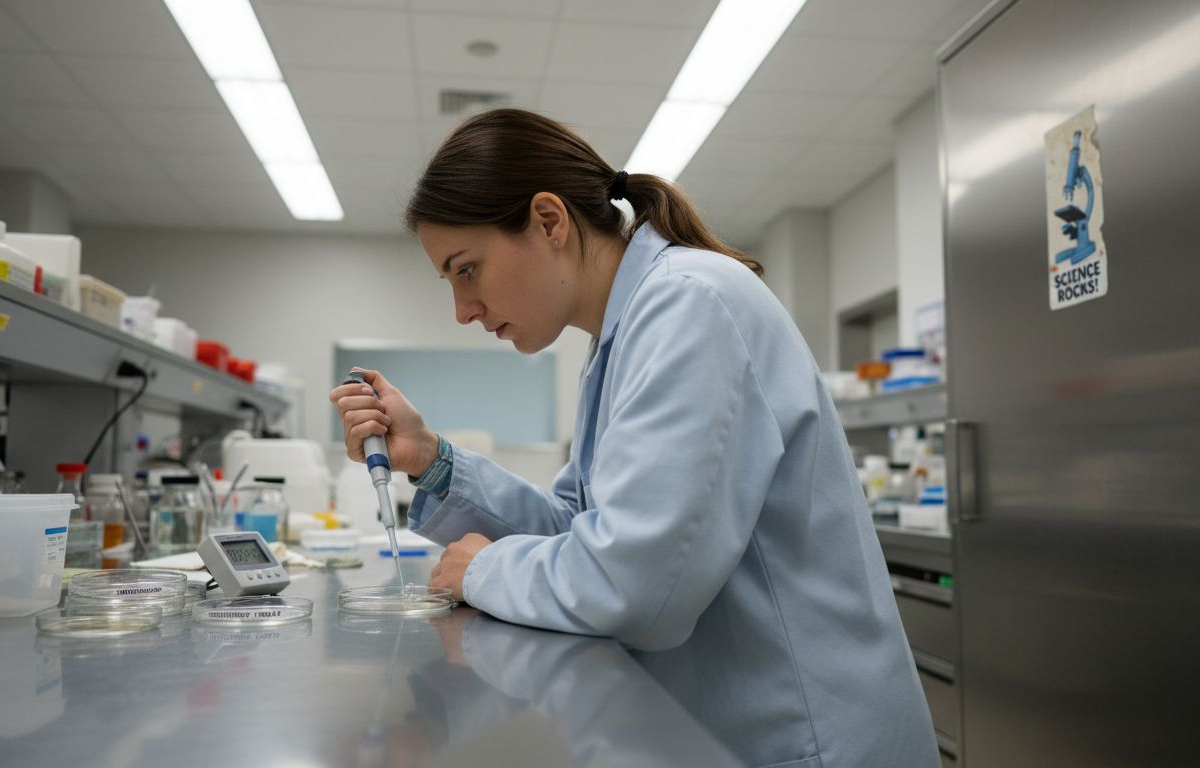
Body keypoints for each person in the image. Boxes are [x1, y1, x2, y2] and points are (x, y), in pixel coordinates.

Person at [331, 108, 937, 768]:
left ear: (549, 221)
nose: (462, 309)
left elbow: (637, 589)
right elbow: (576, 527)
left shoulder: (689, 306)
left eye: (467, 269)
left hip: (807, 737)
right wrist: (432, 460)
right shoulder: (619, 337)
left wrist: (482, 569)